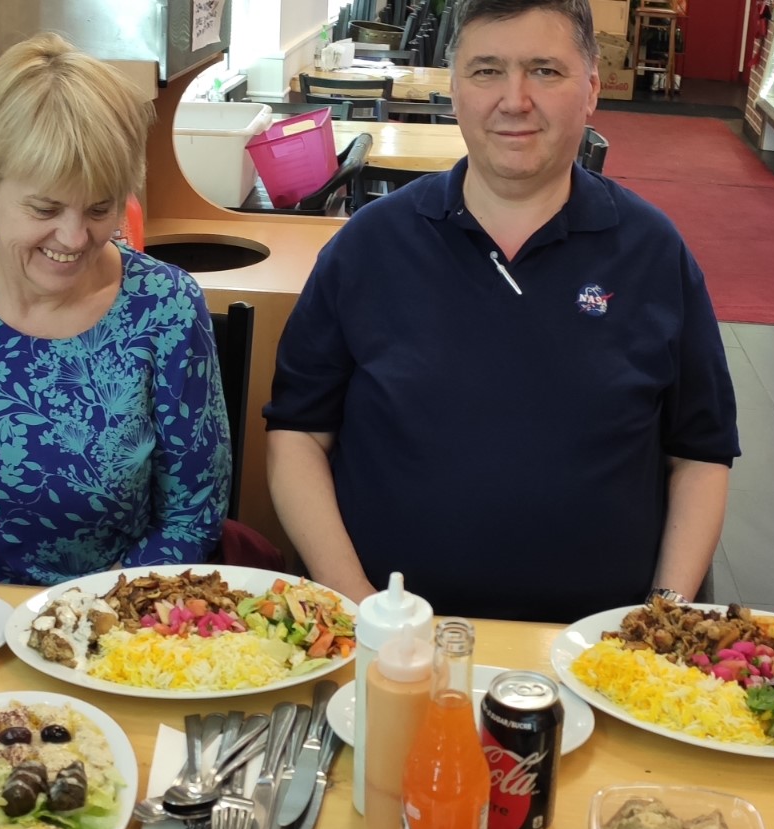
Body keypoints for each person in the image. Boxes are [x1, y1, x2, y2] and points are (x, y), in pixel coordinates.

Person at [263, 0, 739, 622]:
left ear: (592, 89)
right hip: (390, 640)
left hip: (600, 647)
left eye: (546, 71)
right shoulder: (369, 246)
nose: (514, 100)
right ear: (455, 88)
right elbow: (298, 432)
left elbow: (699, 453)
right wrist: (359, 607)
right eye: (487, 71)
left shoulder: (653, 252)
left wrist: (663, 617)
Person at [0, 33, 230, 586]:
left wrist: (74, 621)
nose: (75, 238)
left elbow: (192, 514)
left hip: (112, 614)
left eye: (100, 208)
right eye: (45, 208)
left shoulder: (166, 306)